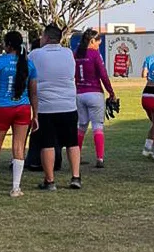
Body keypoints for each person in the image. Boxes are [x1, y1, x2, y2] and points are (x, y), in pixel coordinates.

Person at [0, 31, 38, 197]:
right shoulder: (29, 64)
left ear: (9, 45)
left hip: (3, 108)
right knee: (18, 147)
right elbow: (33, 93)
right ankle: (15, 188)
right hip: (23, 108)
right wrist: (36, 115)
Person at [28, 24, 81, 191]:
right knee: (72, 143)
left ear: (46, 37)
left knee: (48, 144)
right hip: (68, 104)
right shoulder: (68, 53)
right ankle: (76, 177)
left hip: (46, 106)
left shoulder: (36, 54)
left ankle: (50, 180)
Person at [74, 29, 116, 168]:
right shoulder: (94, 54)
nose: (99, 44)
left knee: (81, 126)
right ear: (92, 41)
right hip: (94, 92)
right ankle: (100, 158)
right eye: (98, 41)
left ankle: (77, 156)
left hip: (79, 93)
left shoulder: (76, 54)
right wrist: (111, 92)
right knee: (98, 126)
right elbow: (103, 74)